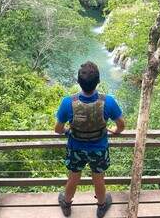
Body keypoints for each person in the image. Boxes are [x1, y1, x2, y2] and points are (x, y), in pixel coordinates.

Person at [55, 61, 125, 217]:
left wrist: (67, 131)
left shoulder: (68, 102)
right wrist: (115, 131)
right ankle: (101, 206)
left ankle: (66, 204)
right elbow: (121, 125)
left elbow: (58, 129)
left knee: (73, 177)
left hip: (75, 148)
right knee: (98, 178)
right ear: (98, 81)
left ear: (78, 81)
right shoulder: (108, 101)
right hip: (99, 148)